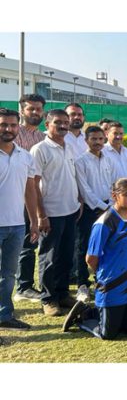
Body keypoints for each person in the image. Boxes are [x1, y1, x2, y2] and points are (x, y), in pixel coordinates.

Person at [61, 178, 127, 339]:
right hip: (112, 284)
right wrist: (105, 275)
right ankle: (84, 315)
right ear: (114, 196)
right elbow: (91, 258)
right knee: (108, 334)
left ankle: (94, 311)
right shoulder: (105, 222)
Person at [30, 109, 81, 316]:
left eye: (66, 122)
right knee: (48, 258)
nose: (63, 126)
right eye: (58, 122)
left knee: (66, 256)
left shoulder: (68, 146)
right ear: (47, 125)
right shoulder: (39, 149)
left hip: (70, 210)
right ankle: (48, 299)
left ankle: (61, 294)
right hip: (51, 213)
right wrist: (41, 215)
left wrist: (79, 201)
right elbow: (33, 184)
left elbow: (71, 176)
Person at [0, 108, 38, 330]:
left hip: (16, 225)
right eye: (4, 124)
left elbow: (30, 190)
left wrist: (33, 220)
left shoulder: (25, 156)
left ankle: (5, 316)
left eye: (13, 125)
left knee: (9, 274)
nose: (8, 129)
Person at [74, 126, 119, 302]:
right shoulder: (81, 161)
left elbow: (114, 184)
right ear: (86, 141)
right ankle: (81, 285)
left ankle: (100, 281)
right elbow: (84, 189)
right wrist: (102, 206)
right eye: (94, 139)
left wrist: (111, 204)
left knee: (106, 247)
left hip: (108, 208)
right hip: (89, 211)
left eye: (101, 139)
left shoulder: (109, 159)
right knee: (83, 247)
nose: (98, 142)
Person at [14, 94, 46, 303]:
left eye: (38, 109)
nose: (35, 113)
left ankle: (29, 283)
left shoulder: (43, 137)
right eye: (30, 109)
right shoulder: (13, 135)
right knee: (25, 243)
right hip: (17, 196)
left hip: (36, 195)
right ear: (22, 111)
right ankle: (23, 287)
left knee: (34, 240)